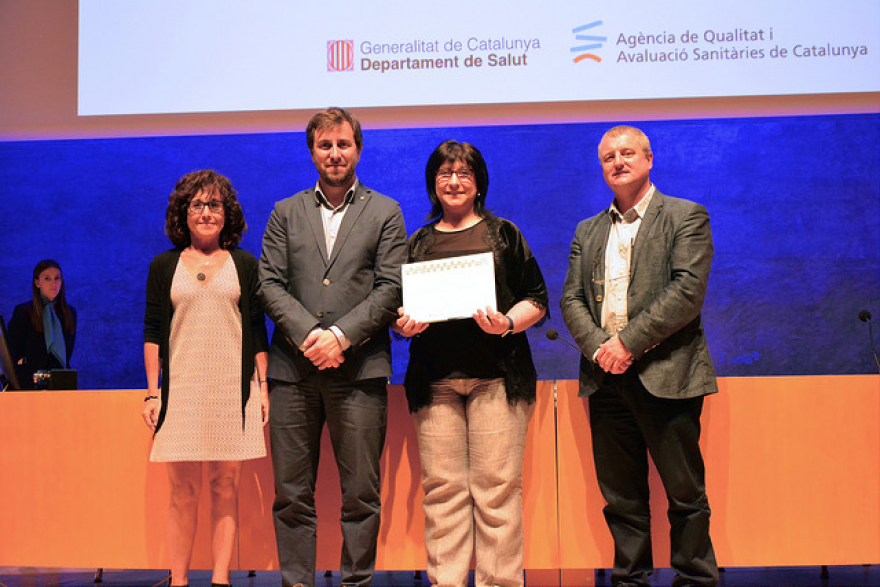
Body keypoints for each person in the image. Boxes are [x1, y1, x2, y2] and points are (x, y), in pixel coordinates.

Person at [560, 125, 719, 587]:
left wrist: (626, 344)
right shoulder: (588, 230)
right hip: (606, 379)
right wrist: (600, 348)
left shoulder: (686, 216)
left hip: (667, 374)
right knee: (622, 499)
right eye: (608, 157)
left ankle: (695, 580)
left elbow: (686, 292)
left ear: (649, 159)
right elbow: (571, 299)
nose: (618, 162)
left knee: (685, 495)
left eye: (627, 153)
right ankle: (630, 580)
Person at [259, 107, 407, 587]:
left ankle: (356, 582)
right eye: (325, 145)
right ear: (312, 152)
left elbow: (390, 287)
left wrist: (340, 336)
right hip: (293, 373)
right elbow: (269, 284)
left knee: (361, 495)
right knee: (291, 496)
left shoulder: (385, 211)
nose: (335, 153)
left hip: (359, 372)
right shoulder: (285, 211)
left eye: (343, 144)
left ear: (358, 150)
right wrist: (311, 336)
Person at [393, 140, 548, 587]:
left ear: (478, 183)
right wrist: (403, 325)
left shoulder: (504, 235)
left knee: (497, 491)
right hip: (435, 382)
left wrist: (507, 324)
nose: (454, 181)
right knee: (443, 492)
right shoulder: (417, 242)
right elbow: (395, 309)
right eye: (445, 173)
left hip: (497, 378)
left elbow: (536, 299)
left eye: (464, 173)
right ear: (433, 183)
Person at [142, 169, 269, 587]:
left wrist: (263, 387)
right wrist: (152, 393)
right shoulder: (164, 265)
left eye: (214, 204)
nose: (206, 212)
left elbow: (257, 329)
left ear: (226, 212)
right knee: (182, 492)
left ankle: (220, 580)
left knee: (225, 485)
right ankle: (179, 581)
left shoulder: (245, 264)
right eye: (197, 204)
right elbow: (153, 331)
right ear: (183, 212)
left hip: (232, 390)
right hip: (181, 390)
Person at [7, 259, 77, 390]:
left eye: (57, 278)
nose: (54, 284)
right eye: (47, 279)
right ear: (37, 283)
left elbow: (67, 353)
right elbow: (11, 353)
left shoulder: (69, 313)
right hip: (28, 383)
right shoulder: (24, 312)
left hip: (61, 381)